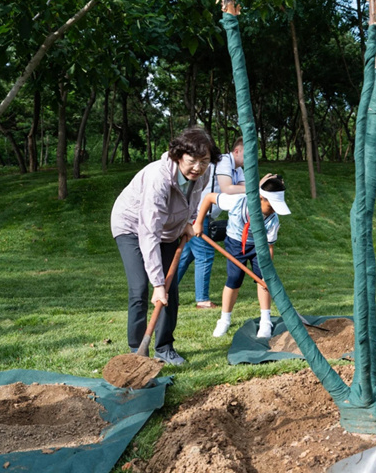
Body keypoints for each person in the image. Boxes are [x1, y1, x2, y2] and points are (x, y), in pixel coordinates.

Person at [111, 127, 221, 365]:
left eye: (205, 162)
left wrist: (188, 222)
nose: (198, 168)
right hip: (131, 226)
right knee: (141, 287)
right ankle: (136, 351)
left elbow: (194, 198)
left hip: (169, 228)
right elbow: (149, 232)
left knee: (170, 290)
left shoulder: (203, 172)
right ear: (178, 156)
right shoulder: (158, 178)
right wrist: (157, 284)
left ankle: (164, 347)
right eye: (192, 161)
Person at [194, 173, 291, 339]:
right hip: (235, 243)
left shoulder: (273, 220)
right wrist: (198, 222)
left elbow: (269, 247)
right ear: (261, 198)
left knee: (263, 280)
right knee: (234, 279)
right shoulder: (238, 201)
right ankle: (224, 319)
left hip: (259, 246)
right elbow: (209, 197)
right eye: (271, 205)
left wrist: (267, 269)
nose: (274, 210)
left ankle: (266, 321)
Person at [176, 137, 246, 309]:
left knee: (186, 255)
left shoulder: (238, 169)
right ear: (237, 151)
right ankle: (202, 300)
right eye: (249, 153)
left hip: (205, 215)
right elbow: (227, 189)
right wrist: (256, 187)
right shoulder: (223, 162)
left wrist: (253, 187)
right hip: (198, 214)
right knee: (205, 255)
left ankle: (167, 288)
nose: (253, 158)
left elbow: (244, 189)